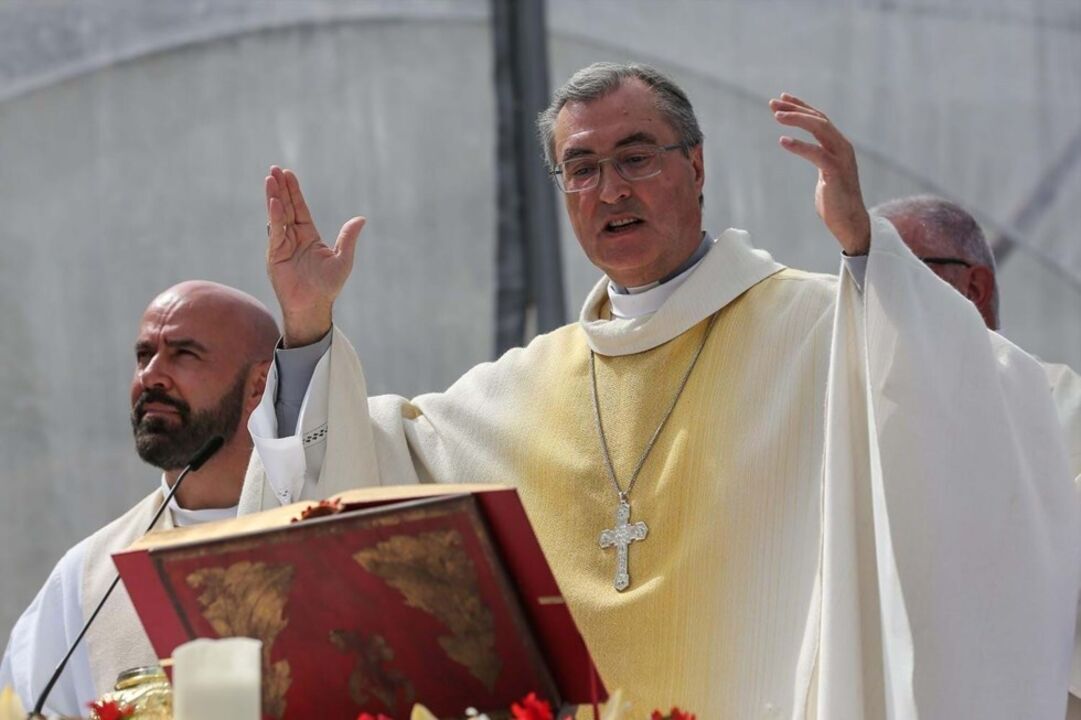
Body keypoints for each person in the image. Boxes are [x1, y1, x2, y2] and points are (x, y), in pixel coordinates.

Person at [240, 63, 1078, 718]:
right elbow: (363, 485)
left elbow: (984, 413)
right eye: (581, 169)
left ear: (696, 166)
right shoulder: (516, 390)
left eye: (635, 157)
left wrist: (869, 250)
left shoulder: (826, 330)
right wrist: (308, 326)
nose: (609, 190)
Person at [0, 281, 279, 717]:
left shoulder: (323, 535)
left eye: (184, 353)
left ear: (259, 383)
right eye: (144, 355)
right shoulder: (88, 576)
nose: (151, 376)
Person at [875, 194, 1081, 717]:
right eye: (863, 279)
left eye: (898, 274)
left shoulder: (1068, 411)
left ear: (974, 286)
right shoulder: (860, 415)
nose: (875, 298)